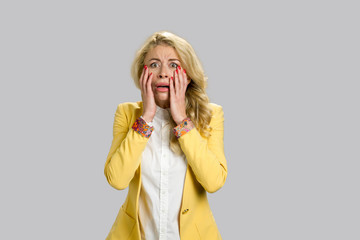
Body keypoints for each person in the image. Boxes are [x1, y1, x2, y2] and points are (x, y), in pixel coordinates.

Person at [104, 31, 227, 240]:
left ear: (187, 75)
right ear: (143, 74)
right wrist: (146, 118)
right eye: (153, 64)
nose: (162, 73)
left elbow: (214, 182)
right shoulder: (126, 113)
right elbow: (117, 179)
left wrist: (181, 120)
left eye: (173, 65)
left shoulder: (211, 115)